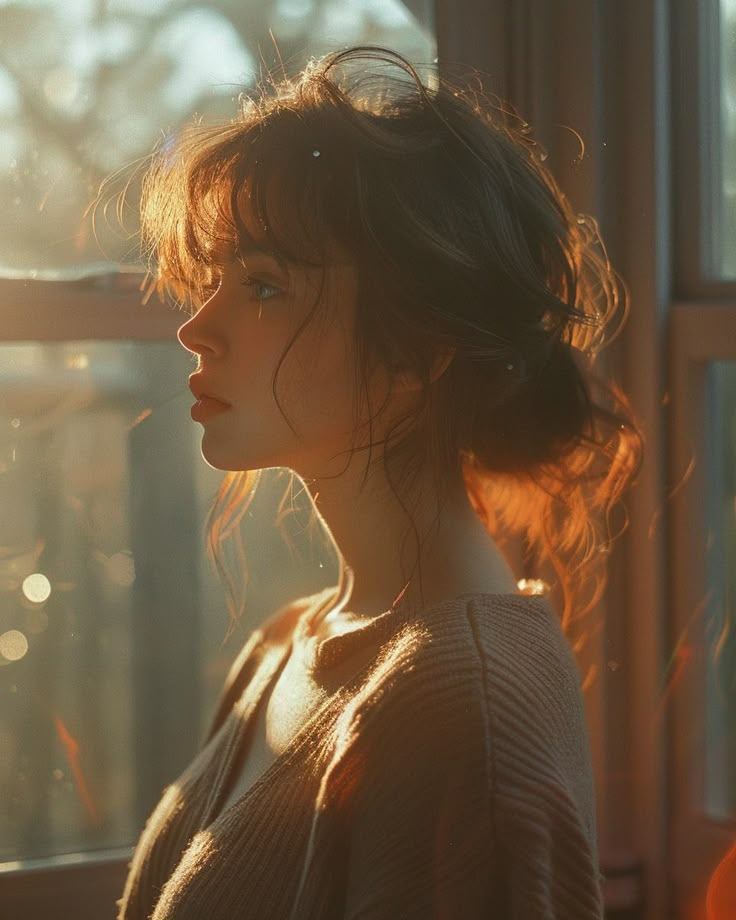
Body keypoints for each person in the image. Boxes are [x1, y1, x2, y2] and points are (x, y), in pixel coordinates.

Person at [116, 45, 643, 919]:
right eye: (214, 280)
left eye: (265, 285)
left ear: (416, 350)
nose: (197, 327)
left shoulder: (465, 711)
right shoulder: (287, 644)